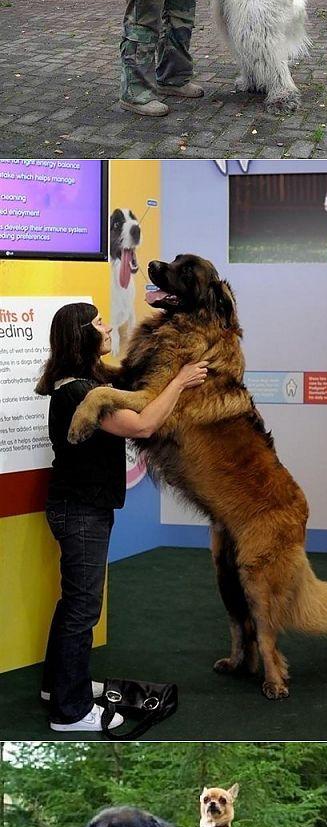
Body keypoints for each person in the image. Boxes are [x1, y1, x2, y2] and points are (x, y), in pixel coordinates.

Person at [37, 299, 207, 734]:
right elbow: (144, 425)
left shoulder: (85, 382)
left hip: (76, 507)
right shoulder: (80, 392)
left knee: (73, 603)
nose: (107, 326)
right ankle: (70, 712)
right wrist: (182, 381)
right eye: (98, 323)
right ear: (83, 337)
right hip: (81, 511)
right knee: (83, 608)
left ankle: (57, 685)